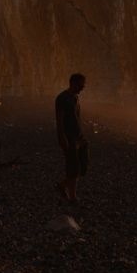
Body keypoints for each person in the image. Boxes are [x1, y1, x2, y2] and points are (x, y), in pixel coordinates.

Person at [55, 72, 88, 203]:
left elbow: (76, 118)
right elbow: (59, 120)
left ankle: (62, 185)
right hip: (69, 137)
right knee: (73, 166)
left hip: (79, 137)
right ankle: (73, 196)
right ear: (73, 83)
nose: (83, 87)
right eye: (81, 84)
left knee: (83, 166)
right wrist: (62, 137)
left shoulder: (75, 97)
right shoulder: (62, 98)